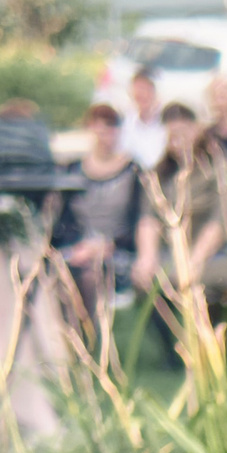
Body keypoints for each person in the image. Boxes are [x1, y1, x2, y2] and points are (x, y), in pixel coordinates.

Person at [133, 102, 227, 307]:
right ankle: (171, 339)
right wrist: (146, 257)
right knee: (144, 279)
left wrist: (194, 261)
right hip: (171, 255)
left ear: (197, 129)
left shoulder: (220, 167)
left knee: (192, 281)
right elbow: (148, 219)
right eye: (171, 136)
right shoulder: (161, 172)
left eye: (182, 133)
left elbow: (220, 223)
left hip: (213, 254)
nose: (177, 142)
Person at [52, 103, 142, 320]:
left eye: (110, 128)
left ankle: (89, 339)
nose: (105, 136)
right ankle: (69, 341)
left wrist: (105, 246)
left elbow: (139, 220)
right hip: (78, 247)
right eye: (99, 128)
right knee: (60, 274)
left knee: (91, 276)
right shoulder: (72, 170)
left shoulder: (133, 171)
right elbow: (62, 220)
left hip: (117, 250)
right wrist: (78, 247)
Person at [120, 70, 168, 169]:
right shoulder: (125, 125)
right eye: (138, 91)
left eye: (147, 89)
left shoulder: (168, 122)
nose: (143, 95)